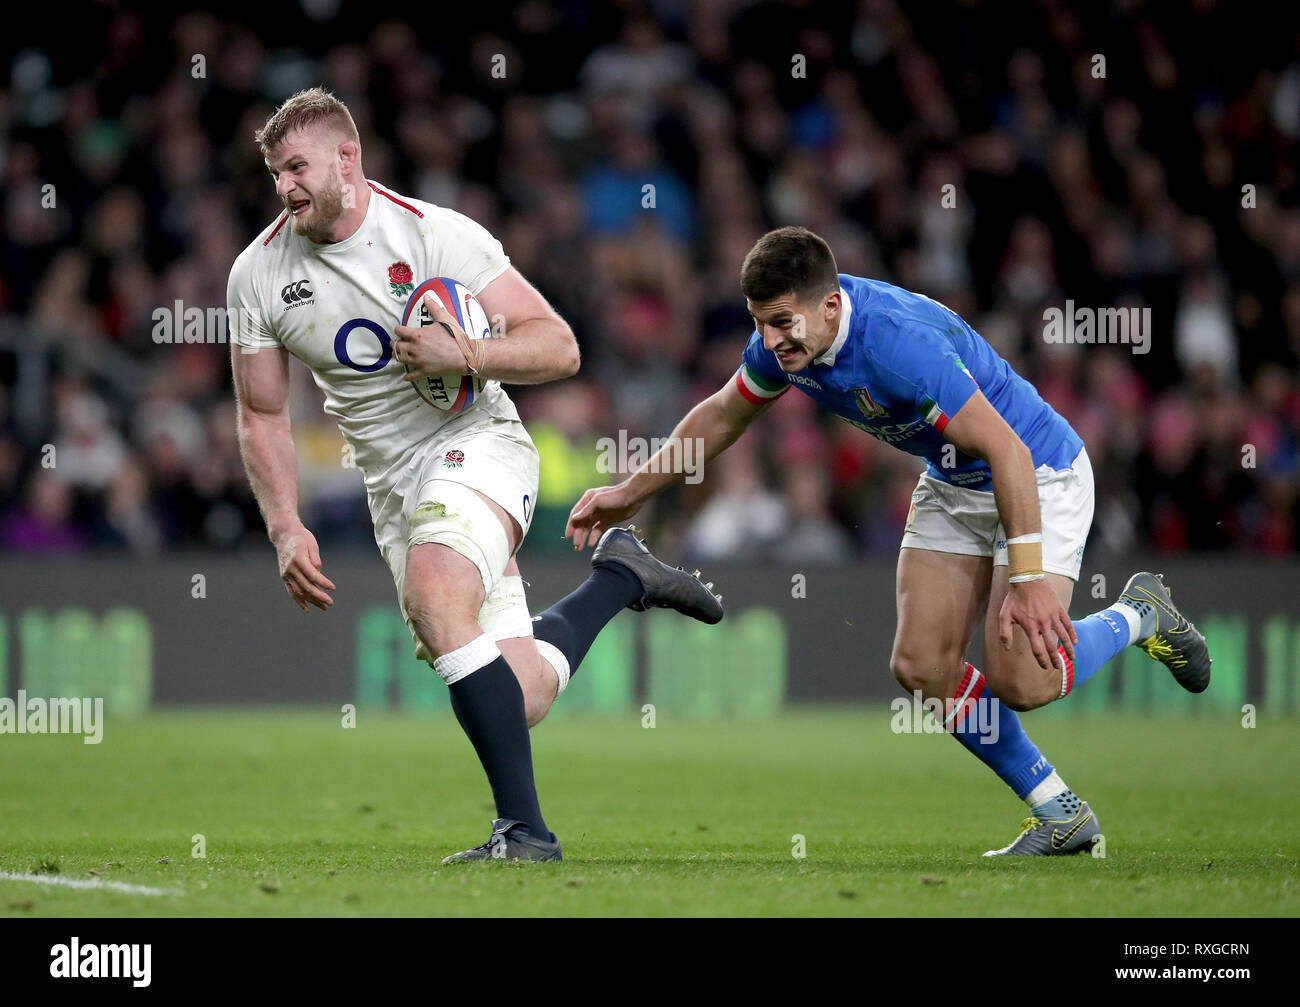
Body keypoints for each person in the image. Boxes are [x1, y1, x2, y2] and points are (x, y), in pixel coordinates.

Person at [566, 225, 1211, 856]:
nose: (770, 340)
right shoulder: (785, 342)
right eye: (760, 321)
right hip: (955, 481)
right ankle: (1060, 814)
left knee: (1024, 681)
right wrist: (631, 491)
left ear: (830, 304)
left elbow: (1007, 450)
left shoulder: (900, 346)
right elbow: (722, 415)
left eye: (783, 323)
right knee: (922, 666)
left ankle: (1141, 613)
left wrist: (1030, 578)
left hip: (1036, 472)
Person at [228, 88, 721, 864]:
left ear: (346, 160)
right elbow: (261, 415)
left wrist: (471, 355)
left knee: (435, 592)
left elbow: (559, 346)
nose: (284, 188)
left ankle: (524, 833)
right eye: (274, 173)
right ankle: (621, 578)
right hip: (393, 486)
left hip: (478, 441)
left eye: (296, 167)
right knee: (516, 693)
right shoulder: (256, 274)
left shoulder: (434, 234)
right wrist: (286, 525)